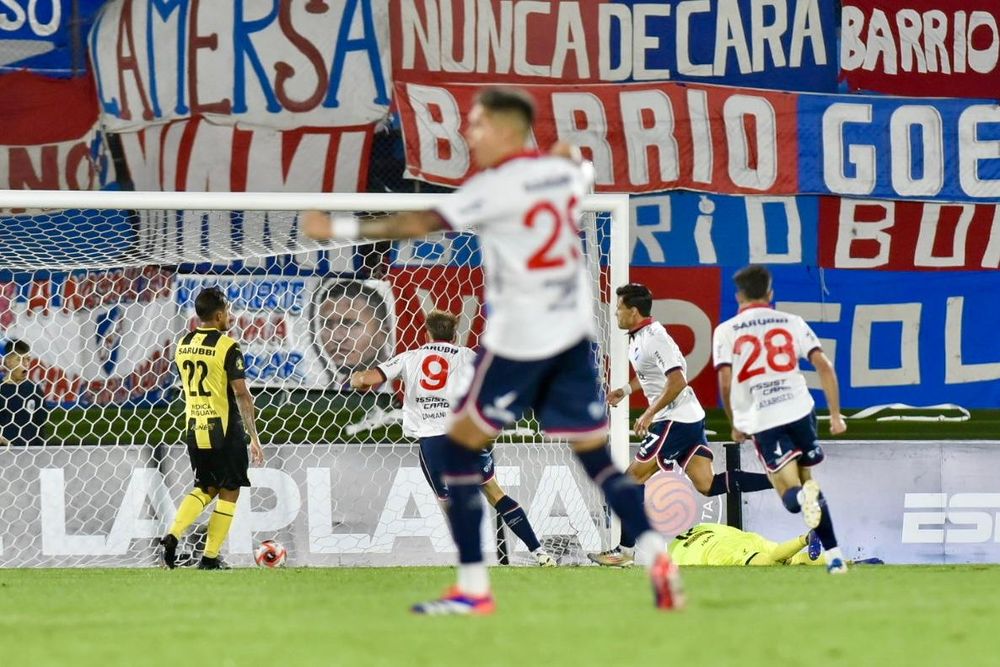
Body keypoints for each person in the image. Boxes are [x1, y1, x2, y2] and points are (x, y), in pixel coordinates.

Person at [303, 86, 683, 614]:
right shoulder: (561, 177)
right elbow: (575, 159)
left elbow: (418, 222)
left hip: (520, 339)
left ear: (506, 130)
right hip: (571, 337)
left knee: (457, 450)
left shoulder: (496, 185)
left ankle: (473, 590)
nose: (468, 132)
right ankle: (658, 558)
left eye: (478, 124)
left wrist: (339, 227)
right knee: (595, 457)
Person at [350, 310, 555, 567]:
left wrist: (356, 377)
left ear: (426, 333)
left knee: (448, 502)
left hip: (433, 440)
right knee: (494, 492)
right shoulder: (468, 356)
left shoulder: (410, 357)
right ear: (455, 334)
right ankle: (539, 552)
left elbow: (367, 380)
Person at [588, 283, 772, 567]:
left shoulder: (655, 338)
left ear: (634, 311)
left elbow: (677, 381)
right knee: (706, 484)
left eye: (620, 308)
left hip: (673, 419)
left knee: (631, 479)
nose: (615, 313)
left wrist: (649, 413)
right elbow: (653, 375)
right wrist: (625, 390)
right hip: (688, 417)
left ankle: (624, 552)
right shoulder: (639, 337)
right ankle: (778, 479)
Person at [712, 265, 848, 574]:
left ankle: (804, 500)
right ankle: (835, 557)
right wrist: (836, 415)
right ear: (770, 294)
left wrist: (735, 423)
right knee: (809, 483)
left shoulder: (727, 330)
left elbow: (724, 381)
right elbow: (824, 366)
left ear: (738, 296)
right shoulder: (793, 322)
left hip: (765, 417)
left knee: (790, 494)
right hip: (801, 410)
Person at [160, 287, 265, 570]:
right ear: (219, 315)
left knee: (204, 487)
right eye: (228, 312)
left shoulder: (182, 344)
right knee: (229, 490)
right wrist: (253, 437)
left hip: (195, 427)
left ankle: (173, 533)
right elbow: (241, 393)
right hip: (225, 429)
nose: (230, 317)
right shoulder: (227, 346)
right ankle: (209, 557)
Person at [311, 279, 393, 387]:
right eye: (327, 324)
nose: (336, 337)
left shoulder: (402, 387)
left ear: (383, 334)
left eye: (350, 324)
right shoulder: (343, 386)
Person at [0, 339, 46, 447]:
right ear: (8, 361)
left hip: (30, 456)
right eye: (20, 360)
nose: (25, 364)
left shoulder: (34, 389)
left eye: (28, 359)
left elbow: (40, 425)